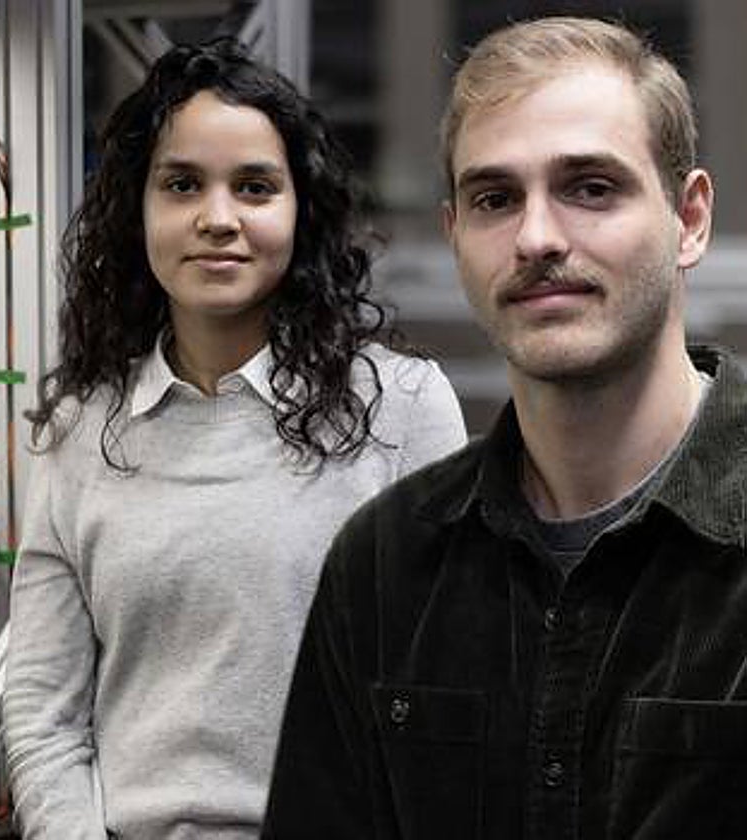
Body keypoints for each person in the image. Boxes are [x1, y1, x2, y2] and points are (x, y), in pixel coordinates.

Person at [260, 15, 746, 839]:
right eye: (494, 199)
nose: (537, 237)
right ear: (455, 237)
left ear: (689, 218)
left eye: (591, 187)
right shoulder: (384, 564)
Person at [2, 39, 466, 840]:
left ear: (301, 210)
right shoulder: (81, 431)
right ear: (137, 209)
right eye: (182, 184)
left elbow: (455, 696)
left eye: (254, 187)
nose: (218, 219)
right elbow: (43, 717)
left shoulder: (403, 408)